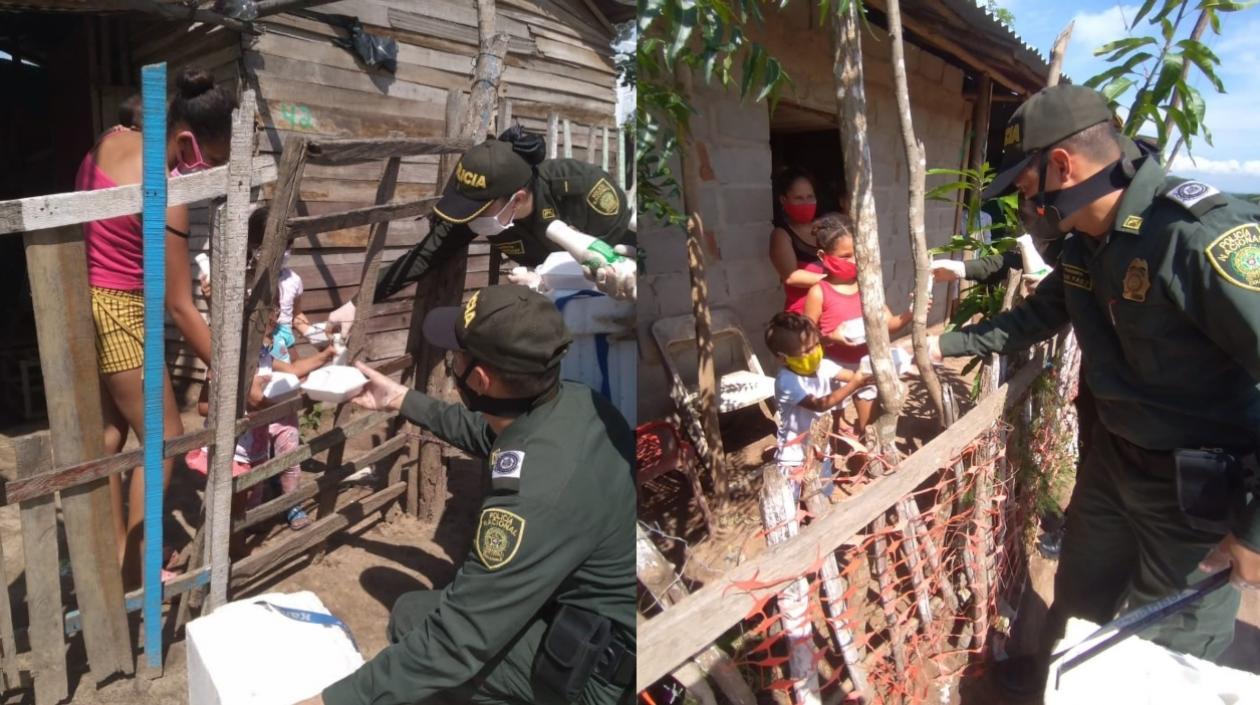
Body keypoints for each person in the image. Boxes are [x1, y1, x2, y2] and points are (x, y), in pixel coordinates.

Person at [923, 84, 1260, 694]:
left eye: (1025, 190)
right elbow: (1033, 317)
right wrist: (928, 350)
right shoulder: (1086, 245)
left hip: (1196, 498)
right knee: (1076, 608)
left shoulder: (1193, 237)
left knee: (1163, 661)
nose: (1025, 208)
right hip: (1110, 468)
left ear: (1061, 167)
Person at [294, 284, 635, 705]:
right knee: (413, 611)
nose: (450, 359)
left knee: (423, 631)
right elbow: (488, 431)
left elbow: (458, 639)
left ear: (479, 378)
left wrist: (331, 701)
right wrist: (399, 398)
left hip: (597, 672)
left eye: (456, 353)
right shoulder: (577, 402)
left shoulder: (532, 500)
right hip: (591, 614)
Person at [78, 66, 235, 588]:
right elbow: (181, 307)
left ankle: (107, 549)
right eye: (211, 161)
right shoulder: (167, 191)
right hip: (119, 311)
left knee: (109, 435)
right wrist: (233, 371)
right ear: (187, 140)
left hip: (83, 303)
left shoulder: (111, 139)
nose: (207, 171)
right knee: (165, 434)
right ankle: (132, 565)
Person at [330, 127, 635, 332]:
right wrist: (357, 305)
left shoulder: (582, 190)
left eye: (477, 210)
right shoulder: (481, 211)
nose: (468, 220)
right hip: (556, 313)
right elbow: (424, 256)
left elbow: (621, 264)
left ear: (517, 198)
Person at [803, 214, 915, 434]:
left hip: (865, 368)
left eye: (857, 254)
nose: (854, 261)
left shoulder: (868, 288)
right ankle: (837, 453)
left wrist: (910, 314)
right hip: (833, 370)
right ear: (823, 256)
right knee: (831, 429)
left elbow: (888, 324)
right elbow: (805, 338)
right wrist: (829, 337)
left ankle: (863, 461)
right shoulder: (818, 293)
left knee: (868, 427)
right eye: (845, 256)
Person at [766, 312, 870, 499]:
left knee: (822, 497)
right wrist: (855, 384)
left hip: (820, 451)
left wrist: (870, 376)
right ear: (783, 358)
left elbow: (850, 375)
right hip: (795, 458)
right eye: (806, 351)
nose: (814, 353)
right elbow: (821, 405)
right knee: (793, 505)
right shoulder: (787, 381)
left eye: (816, 345)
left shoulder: (822, 366)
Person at [768, 167, 827, 313]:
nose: (806, 203)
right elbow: (792, 277)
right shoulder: (781, 235)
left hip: (833, 310)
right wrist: (835, 279)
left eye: (810, 197)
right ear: (784, 200)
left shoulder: (825, 227)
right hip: (803, 315)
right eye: (799, 198)